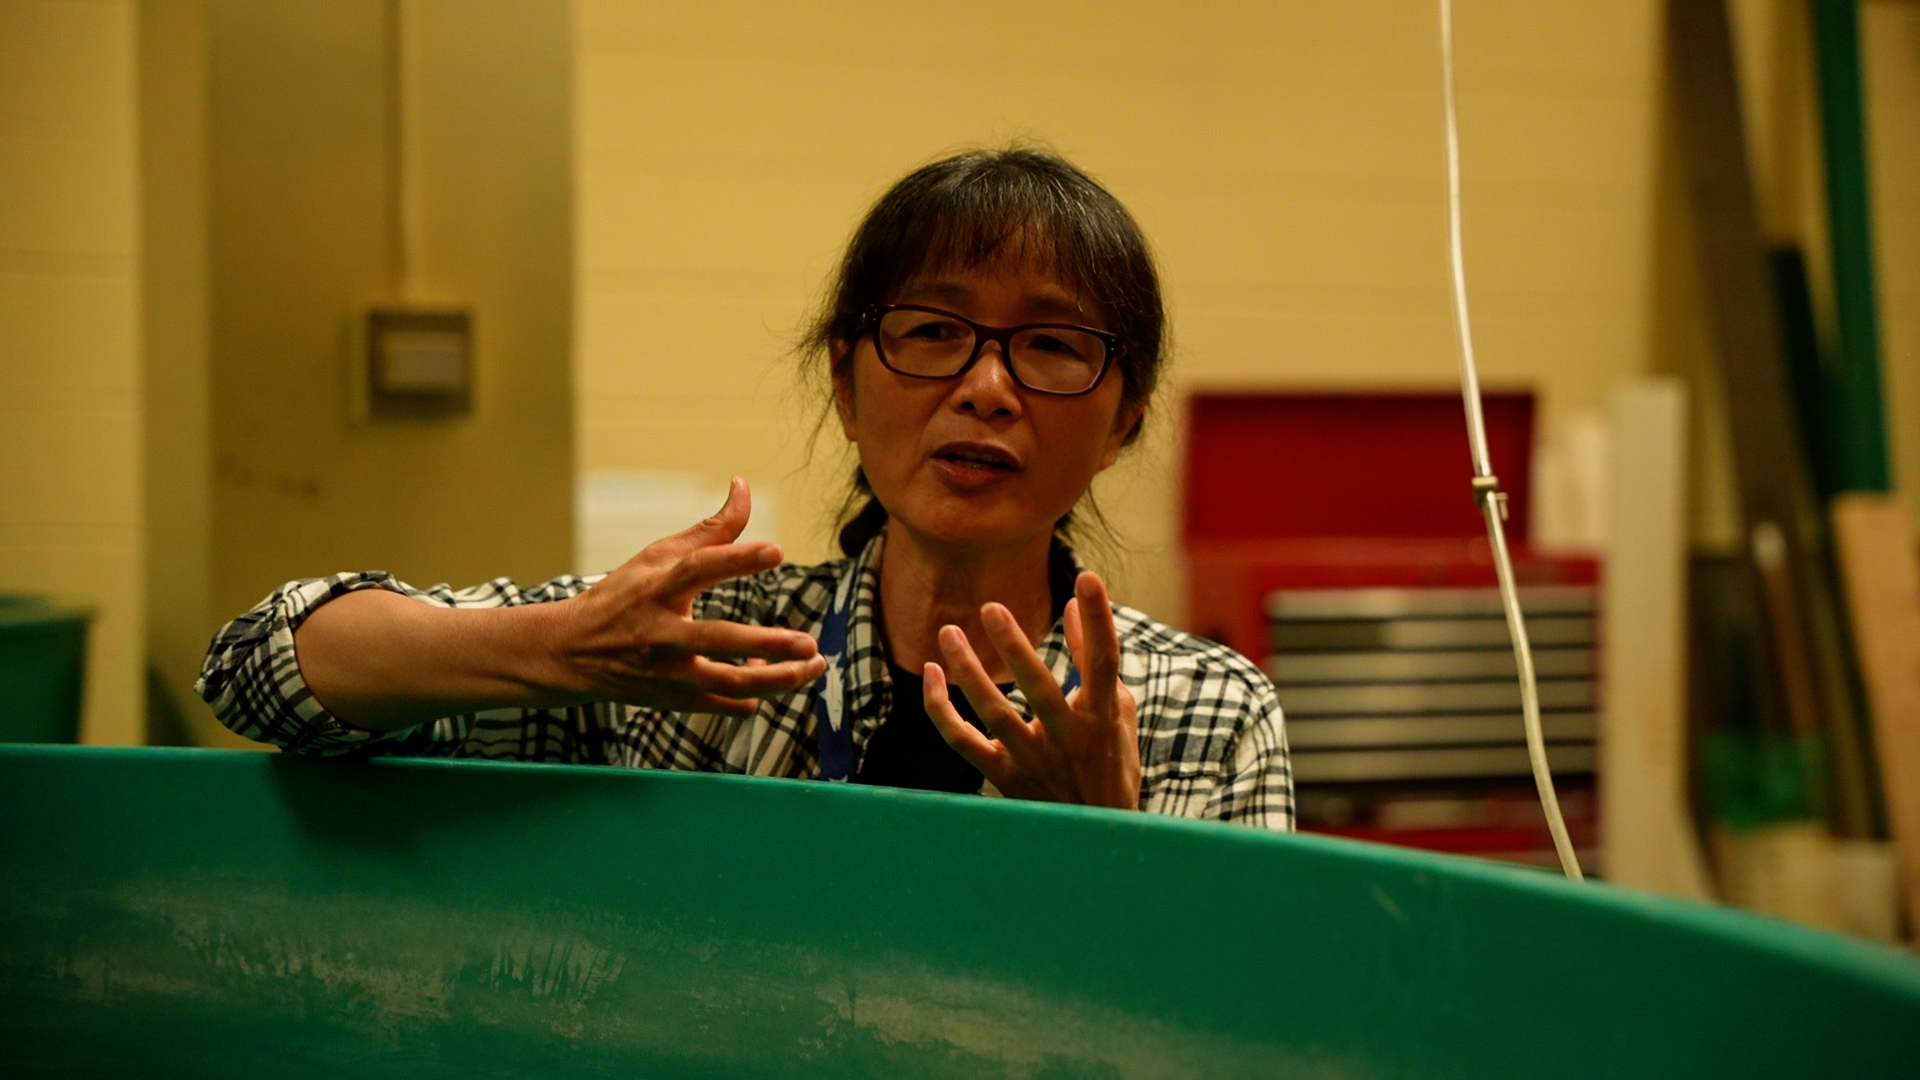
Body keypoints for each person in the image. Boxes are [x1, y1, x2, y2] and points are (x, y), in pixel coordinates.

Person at [198, 147, 1292, 828]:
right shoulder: (694, 657)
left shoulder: (1205, 712)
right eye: (933, 332)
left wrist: (1113, 847)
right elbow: (259, 668)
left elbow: (1246, 1038)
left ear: (1127, 415)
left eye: (1051, 346)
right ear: (846, 382)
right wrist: (560, 649)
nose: (987, 387)